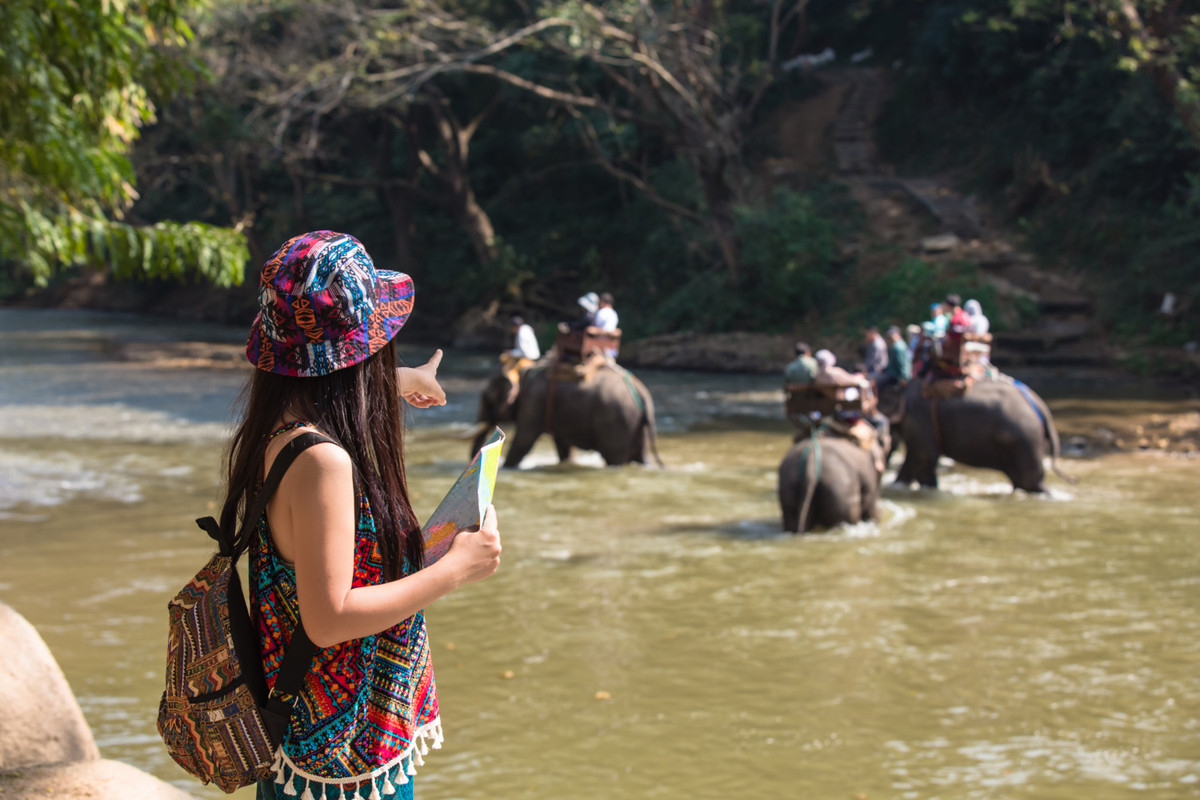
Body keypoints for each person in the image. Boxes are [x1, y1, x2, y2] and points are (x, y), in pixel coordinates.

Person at [232, 231, 502, 800]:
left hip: (311, 751)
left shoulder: (277, 425)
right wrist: (457, 568)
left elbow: (324, 386)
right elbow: (329, 620)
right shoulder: (324, 463)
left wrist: (399, 382)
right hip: (341, 769)